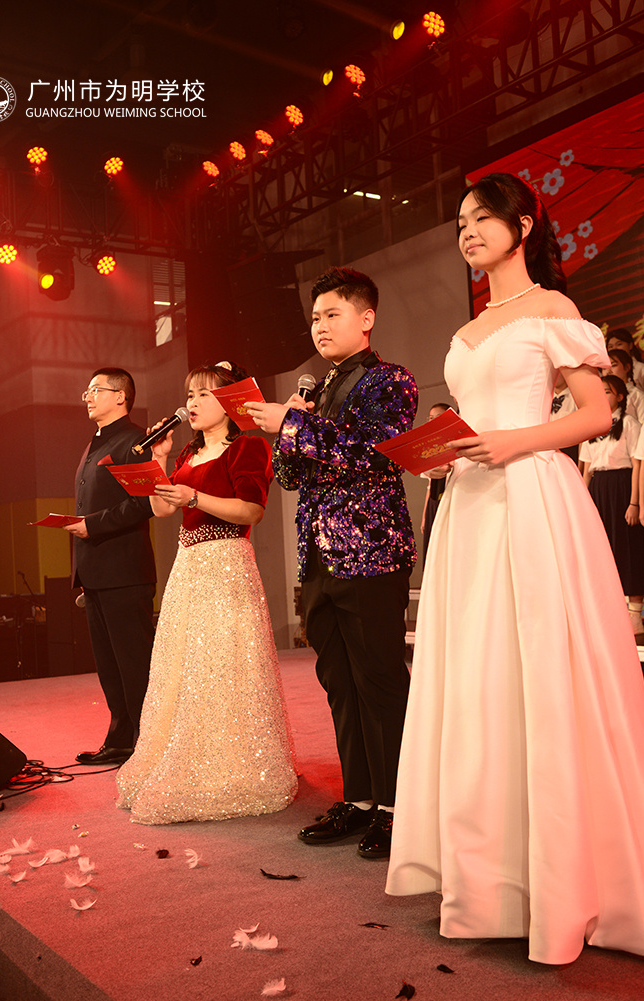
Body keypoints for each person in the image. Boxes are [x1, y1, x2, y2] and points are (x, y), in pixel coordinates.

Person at [386, 172, 644, 965]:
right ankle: (493, 882)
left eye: (482, 218)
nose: (467, 232)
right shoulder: (468, 331)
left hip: (532, 497)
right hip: (468, 506)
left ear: (524, 225)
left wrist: (512, 442)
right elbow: (474, 424)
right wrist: (443, 454)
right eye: (461, 222)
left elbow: (597, 414)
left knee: (541, 672)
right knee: (479, 680)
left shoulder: (553, 310)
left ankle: (563, 882)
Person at [247, 267, 418, 859]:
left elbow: (376, 454)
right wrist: (290, 427)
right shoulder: (316, 390)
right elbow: (291, 477)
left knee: (380, 680)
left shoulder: (391, 381)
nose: (319, 326)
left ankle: (399, 807)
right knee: (339, 683)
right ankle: (362, 799)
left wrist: (294, 423)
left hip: (371, 554)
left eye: (332, 314)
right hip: (319, 557)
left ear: (366, 319)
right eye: (315, 317)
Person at [116, 361, 297, 824]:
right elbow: (161, 509)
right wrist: (159, 460)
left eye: (203, 394)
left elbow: (251, 511)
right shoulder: (187, 453)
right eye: (189, 395)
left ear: (230, 402)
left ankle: (231, 765)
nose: (191, 403)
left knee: (222, 667)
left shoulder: (249, 446)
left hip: (226, 564)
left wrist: (194, 498)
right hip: (188, 566)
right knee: (184, 669)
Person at [67, 368, 156, 766]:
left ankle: (149, 743)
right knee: (108, 666)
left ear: (121, 396)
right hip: (95, 572)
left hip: (125, 571)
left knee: (134, 663)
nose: (87, 396)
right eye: (87, 391)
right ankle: (121, 738)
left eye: (96, 390)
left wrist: (93, 525)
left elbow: (144, 502)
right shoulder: (95, 442)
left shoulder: (135, 441)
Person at [580, 375, 644, 635]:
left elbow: (637, 464)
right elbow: (586, 469)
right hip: (599, 486)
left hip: (622, 485)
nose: (603, 395)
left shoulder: (629, 423)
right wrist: (582, 501)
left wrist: (634, 502)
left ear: (620, 396)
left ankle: (635, 614)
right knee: (601, 548)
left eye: (607, 391)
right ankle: (609, 611)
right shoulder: (592, 426)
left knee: (628, 545)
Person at [419, 402, 452, 567]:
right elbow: (429, 484)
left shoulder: (455, 441)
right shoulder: (431, 446)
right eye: (431, 418)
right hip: (434, 500)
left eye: (438, 417)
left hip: (451, 498)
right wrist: (425, 514)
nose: (433, 421)